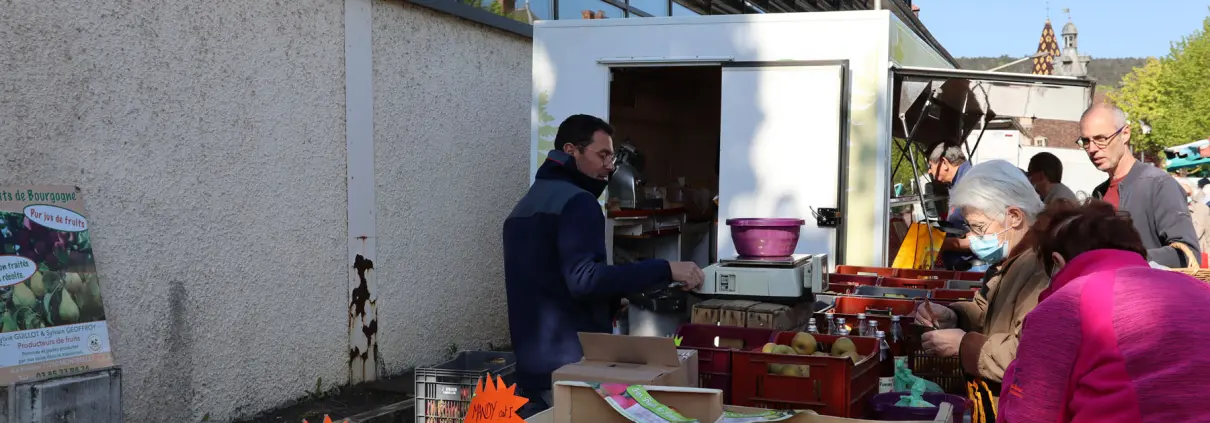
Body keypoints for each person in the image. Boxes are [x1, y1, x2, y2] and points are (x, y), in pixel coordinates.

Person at [503, 114, 705, 417]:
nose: (610, 166)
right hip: (572, 365)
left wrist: (610, 301)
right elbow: (584, 279)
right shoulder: (578, 202)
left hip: (532, 365)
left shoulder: (525, 205)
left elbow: (548, 279)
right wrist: (666, 269)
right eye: (602, 155)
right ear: (571, 150)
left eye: (612, 157)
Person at [998, 200, 1210, 422]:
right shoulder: (1199, 289)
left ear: (1057, 262)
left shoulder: (1065, 306)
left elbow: (1027, 416)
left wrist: (1017, 366)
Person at [913, 159, 1048, 423]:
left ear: (1014, 216)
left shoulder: (1040, 268)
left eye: (979, 227)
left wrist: (964, 344)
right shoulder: (1010, 258)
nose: (973, 238)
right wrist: (955, 315)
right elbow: (986, 308)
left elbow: (1026, 354)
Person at [1081, 102, 1201, 268]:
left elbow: (1188, 255)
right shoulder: (1099, 193)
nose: (1092, 149)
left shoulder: (1159, 185)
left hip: (1149, 284)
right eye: (1086, 141)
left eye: (1101, 139)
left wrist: (1125, 259)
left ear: (1125, 134)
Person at [926, 143, 976, 270]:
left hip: (971, 268)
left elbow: (982, 237)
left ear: (944, 163)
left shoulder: (970, 185)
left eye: (930, 165)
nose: (929, 171)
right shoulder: (957, 183)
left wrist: (940, 244)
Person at [1175, 177, 1210, 255]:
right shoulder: (1169, 211)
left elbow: (1208, 236)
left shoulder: (1202, 209)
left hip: (1202, 256)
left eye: (1188, 193)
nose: (1185, 196)